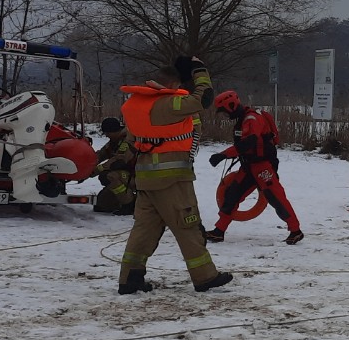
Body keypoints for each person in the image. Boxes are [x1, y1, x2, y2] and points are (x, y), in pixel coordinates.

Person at [116, 56, 232, 295]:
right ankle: (205, 276)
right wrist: (199, 69)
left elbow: (132, 141)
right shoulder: (170, 104)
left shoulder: (135, 104)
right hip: (172, 179)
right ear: (172, 84)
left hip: (146, 178)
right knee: (187, 225)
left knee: (144, 230)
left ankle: (129, 278)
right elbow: (203, 98)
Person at [204, 91, 303, 245]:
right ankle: (219, 231)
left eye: (224, 112)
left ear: (231, 106)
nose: (225, 116)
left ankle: (295, 231)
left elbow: (249, 143)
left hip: (263, 166)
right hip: (249, 166)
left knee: (276, 197)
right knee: (232, 195)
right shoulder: (244, 119)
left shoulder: (252, 119)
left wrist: (223, 155)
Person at [92, 116, 136, 215]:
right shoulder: (114, 141)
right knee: (102, 204)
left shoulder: (128, 141)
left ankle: (129, 204)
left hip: (136, 177)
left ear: (115, 131)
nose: (106, 135)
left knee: (109, 176)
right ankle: (123, 200)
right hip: (126, 176)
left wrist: (93, 171)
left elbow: (116, 161)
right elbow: (100, 155)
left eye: (108, 133)